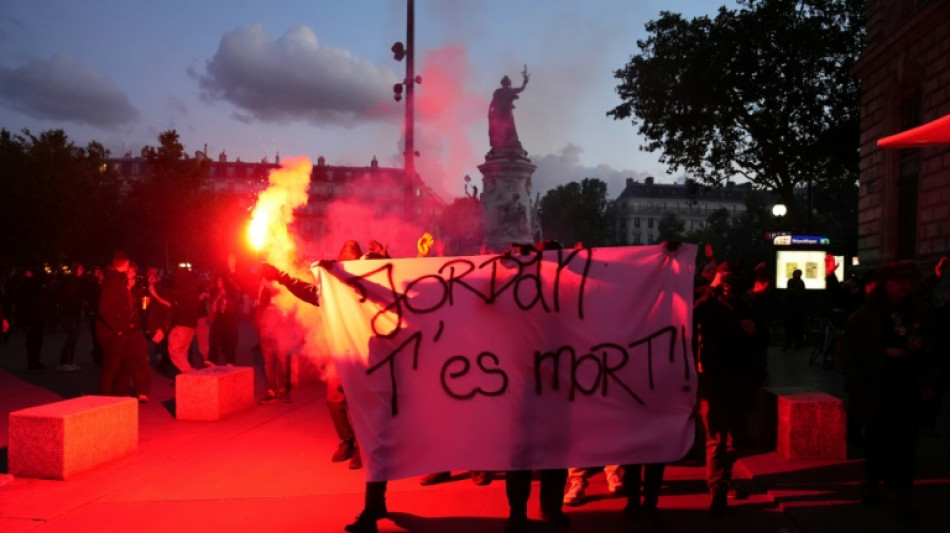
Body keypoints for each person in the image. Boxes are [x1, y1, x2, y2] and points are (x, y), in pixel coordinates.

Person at [845, 261, 935, 524]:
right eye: (898, 280)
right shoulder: (867, 315)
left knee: (906, 441)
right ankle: (872, 481)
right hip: (878, 386)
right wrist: (881, 355)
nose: (904, 285)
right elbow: (853, 354)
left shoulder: (920, 312)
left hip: (907, 385)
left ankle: (903, 493)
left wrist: (929, 382)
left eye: (908, 280)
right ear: (886, 284)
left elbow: (933, 348)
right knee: (877, 438)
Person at [693, 267, 757, 515]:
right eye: (725, 281)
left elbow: (754, 338)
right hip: (715, 378)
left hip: (736, 378)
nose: (729, 287)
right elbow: (694, 314)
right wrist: (711, 289)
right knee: (716, 439)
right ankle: (717, 490)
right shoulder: (709, 305)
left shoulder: (742, 305)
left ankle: (723, 481)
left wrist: (752, 332)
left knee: (729, 440)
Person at [97, 252, 143, 396]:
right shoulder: (113, 281)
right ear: (124, 264)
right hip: (113, 333)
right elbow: (105, 308)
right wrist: (117, 329)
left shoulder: (116, 280)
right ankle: (105, 398)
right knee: (111, 368)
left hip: (120, 330)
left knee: (122, 364)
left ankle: (118, 394)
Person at [488, 67, 529, 154]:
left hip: (501, 113)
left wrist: (490, 112)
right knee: (508, 127)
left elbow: (492, 103)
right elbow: (521, 89)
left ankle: (506, 142)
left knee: (506, 127)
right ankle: (508, 142)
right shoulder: (505, 91)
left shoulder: (498, 91)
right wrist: (525, 83)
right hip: (504, 113)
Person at [57, 263, 86, 371]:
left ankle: (70, 361)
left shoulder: (78, 281)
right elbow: (69, 297)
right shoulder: (71, 281)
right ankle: (63, 361)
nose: (82, 270)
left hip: (74, 312)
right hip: (69, 312)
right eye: (80, 268)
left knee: (74, 337)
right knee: (72, 336)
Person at [209, 273, 240, 365]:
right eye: (218, 280)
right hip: (219, 317)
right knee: (214, 339)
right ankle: (212, 360)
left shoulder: (231, 291)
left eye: (220, 281)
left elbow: (234, 306)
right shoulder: (216, 292)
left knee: (230, 340)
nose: (218, 282)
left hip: (229, 317)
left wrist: (225, 295)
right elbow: (213, 304)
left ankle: (230, 361)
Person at [784, 269, 807, 350]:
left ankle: (797, 344)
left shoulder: (799, 283)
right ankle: (789, 344)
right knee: (791, 327)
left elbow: (800, 296)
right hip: (792, 308)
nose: (794, 275)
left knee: (797, 327)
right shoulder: (794, 282)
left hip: (796, 309)